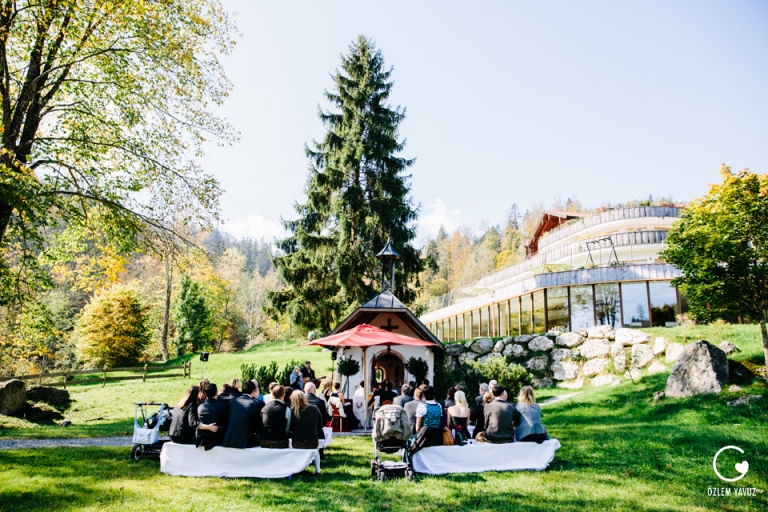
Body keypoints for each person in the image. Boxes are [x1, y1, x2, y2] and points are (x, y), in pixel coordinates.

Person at [222, 380, 264, 448]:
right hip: (245, 441)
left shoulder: (232, 402)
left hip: (228, 439)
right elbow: (257, 425)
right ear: (253, 391)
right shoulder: (257, 404)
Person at [196, 383, 229, 450]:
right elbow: (225, 424)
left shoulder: (200, 407)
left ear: (205, 394)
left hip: (200, 439)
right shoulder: (222, 406)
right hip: (215, 438)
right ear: (216, 393)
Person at [411, 386, 443, 452]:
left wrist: (418, 435)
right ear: (433, 395)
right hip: (438, 433)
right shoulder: (439, 405)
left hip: (426, 433)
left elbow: (417, 427)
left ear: (424, 395)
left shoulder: (422, 406)